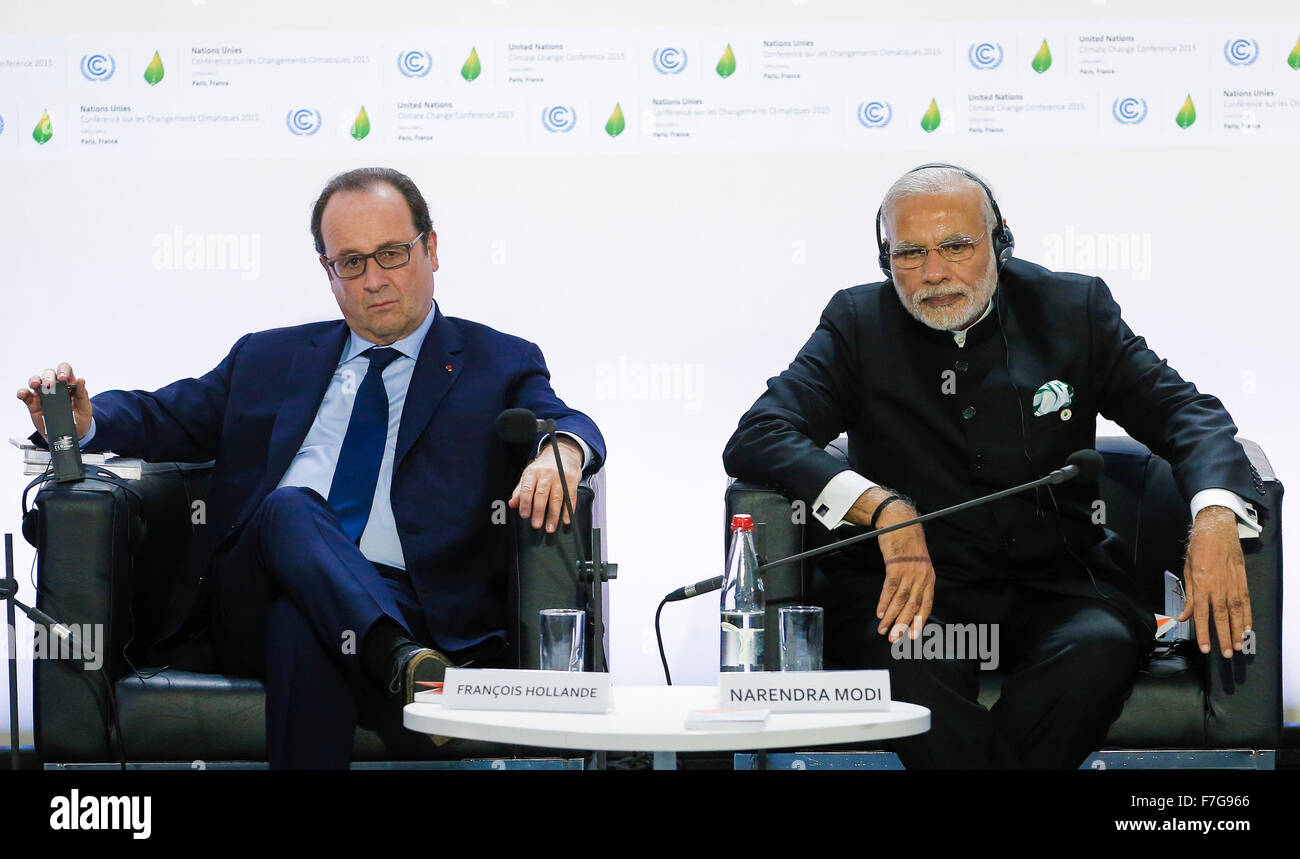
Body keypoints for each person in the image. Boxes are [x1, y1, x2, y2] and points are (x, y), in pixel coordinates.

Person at [18, 167, 606, 769]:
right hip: (251, 588)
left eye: (391, 254)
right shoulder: (268, 357)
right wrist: (81, 420)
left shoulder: (496, 361)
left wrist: (562, 448)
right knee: (291, 506)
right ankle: (403, 663)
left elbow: (565, 420)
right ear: (328, 272)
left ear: (431, 248)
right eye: (350, 262)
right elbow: (164, 414)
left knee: (303, 623)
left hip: (407, 602)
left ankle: (390, 653)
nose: (374, 280)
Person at [722, 163, 1263, 769]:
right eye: (910, 253)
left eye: (956, 246)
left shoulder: (1071, 307)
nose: (933, 273)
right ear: (884, 260)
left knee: (1099, 650)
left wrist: (1215, 516)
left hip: (1060, 584)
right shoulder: (857, 323)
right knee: (905, 662)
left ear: (1000, 241)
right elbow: (761, 433)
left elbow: (1186, 414)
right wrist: (882, 507)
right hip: (912, 593)